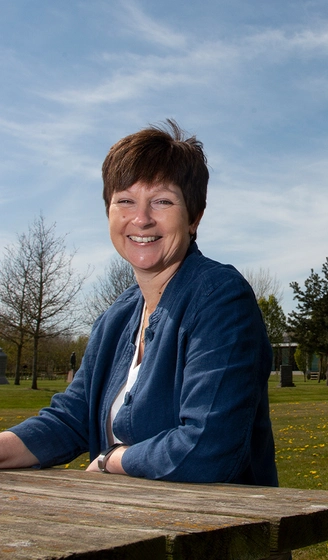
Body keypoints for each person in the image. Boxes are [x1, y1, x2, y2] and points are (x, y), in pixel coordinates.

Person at [0, 120, 278, 487]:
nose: (141, 219)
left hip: (221, 535)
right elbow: (70, 419)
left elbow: (209, 446)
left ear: (194, 216)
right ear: (109, 213)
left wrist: (112, 461)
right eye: (125, 201)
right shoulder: (117, 317)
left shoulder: (220, 298)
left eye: (162, 201)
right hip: (133, 528)